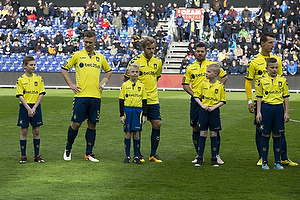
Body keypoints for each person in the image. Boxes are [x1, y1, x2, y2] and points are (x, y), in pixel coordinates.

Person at [245, 32, 298, 167]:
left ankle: (283, 157)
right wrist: (249, 100)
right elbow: (248, 82)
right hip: (262, 101)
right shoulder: (253, 61)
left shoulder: (277, 60)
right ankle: (262, 158)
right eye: (270, 42)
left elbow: (280, 80)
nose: (273, 45)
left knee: (279, 131)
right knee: (260, 129)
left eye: (273, 42)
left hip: (276, 102)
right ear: (262, 43)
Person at [61, 30, 112, 162]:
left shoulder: (100, 57)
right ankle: (68, 148)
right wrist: (71, 84)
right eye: (86, 42)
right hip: (81, 96)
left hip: (95, 96)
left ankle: (89, 153)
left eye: (90, 42)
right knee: (76, 124)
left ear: (95, 42)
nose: (87, 44)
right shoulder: (77, 55)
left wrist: (103, 84)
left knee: (92, 124)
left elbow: (108, 71)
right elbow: (64, 68)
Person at [182, 43, 228, 165]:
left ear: (206, 52)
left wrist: (218, 89)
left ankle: (216, 155)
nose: (200, 53)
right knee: (196, 127)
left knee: (214, 129)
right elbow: (185, 85)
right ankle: (198, 155)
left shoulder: (212, 65)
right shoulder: (190, 67)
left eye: (202, 51)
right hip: (197, 101)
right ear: (195, 52)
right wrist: (195, 96)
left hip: (211, 101)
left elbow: (224, 77)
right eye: (198, 51)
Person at [123, 36, 163, 163]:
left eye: (153, 48)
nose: (151, 51)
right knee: (137, 128)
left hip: (153, 99)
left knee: (157, 123)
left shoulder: (158, 62)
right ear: (143, 48)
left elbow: (156, 78)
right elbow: (126, 79)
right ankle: (137, 154)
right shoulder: (135, 62)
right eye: (149, 49)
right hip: (138, 101)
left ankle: (153, 154)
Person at [255, 58, 289, 170]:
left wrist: (286, 112)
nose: (274, 70)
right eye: (272, 67)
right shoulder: (262, 80)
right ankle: (264, 161)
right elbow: (259, 97)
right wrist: (258, 112)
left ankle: (277, 162)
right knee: (265, 134)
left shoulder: (283, 80)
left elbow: (286, 97)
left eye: (276, 67)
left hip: (278, 109)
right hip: (266, 108)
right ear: (267, 68)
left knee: (277, 135)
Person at [193, 64, 226, 167]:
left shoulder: (220, 86)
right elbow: (196, 96)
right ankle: (199, 158)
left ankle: (214, 158)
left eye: (208, 72)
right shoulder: (203, 84)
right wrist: (202, 105)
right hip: (204, 111)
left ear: (215, 74)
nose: (206, 73)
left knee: (213, 134)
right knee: (202, 133)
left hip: (214, 112)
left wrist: (214, 107)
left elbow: (223, 100)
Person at [16, 56, 46, 164]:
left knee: (36, 131)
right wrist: (28, 108)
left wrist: (34, 108)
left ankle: (36, 155)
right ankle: (23, 156)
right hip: (24, 107)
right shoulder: (20, 80)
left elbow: (41, 93)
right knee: (24, 131)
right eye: (31, 65)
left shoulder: (39, 79)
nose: (33, 67)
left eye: (34, 64)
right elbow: (20, 95)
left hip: (35, 107)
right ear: (25, 66)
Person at [119, 63, 147, 164]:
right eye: (133, 72)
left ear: (139, 73)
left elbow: (144, 101)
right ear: (128, 73)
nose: (134, 74)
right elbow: (121, 100)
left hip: (138, 111)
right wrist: (122, 114)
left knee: (137, 133)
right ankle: (127, 156)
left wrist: (144, 115)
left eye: (136, 72)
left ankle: (136, 156)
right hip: (127, 110)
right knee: (127, 133)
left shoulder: (142, 85)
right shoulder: (125, 85)